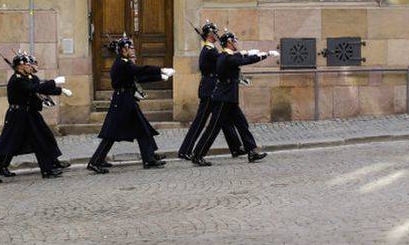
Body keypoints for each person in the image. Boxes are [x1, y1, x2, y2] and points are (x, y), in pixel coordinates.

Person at [87, 34, 174, 174]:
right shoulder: (123, 63)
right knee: (111, 134)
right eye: (130, 48)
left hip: (126, 99)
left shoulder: (123, 62)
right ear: (123, 50)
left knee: (142, 128)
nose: (133, 50)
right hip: (122, 101)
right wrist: (161, 70)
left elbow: (138, 77)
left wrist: (160, 77)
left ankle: (149, 158)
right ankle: (95, 162)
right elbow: (140, 71)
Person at [0, 51, 73, 183]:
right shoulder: (17, 80)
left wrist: (60, 90)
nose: (30, 66)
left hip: (29, 114)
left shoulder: (27, 78)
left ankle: (47, 169)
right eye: (27, 65)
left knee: (41, 139)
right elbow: (33, 89)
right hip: (17, 115)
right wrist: (54, 82)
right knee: (6, 144)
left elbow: (39, 88)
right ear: (20, 67)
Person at [191, 30, 279, 166]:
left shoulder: (225, 56)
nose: (236, 43)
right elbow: (243, 61)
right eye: (234, 41)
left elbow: (238, 57)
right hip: (223, 99)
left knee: (242, 124)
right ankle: (197, 155)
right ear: (229, 42)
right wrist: (264, 55)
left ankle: (251, 151)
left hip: (229, 99)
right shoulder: (226, 58)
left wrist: (248, 52)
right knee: (213, 128)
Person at [178, 21, 245, 161]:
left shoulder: (211, 49)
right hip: (209, 89)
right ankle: (185, 150)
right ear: (209, 34)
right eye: (215, 32)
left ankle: (236, 147)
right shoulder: (209, 51)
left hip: (213, 89)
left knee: (224, 119)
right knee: (201, 121)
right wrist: (240, 55)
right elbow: (223, 59)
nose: (217, 34)